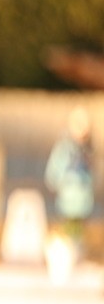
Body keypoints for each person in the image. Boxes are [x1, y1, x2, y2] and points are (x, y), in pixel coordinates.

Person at [45, 105, 95, 252]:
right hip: (68, 201)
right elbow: (54, 173)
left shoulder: (87, 149)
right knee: (68, 234)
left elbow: (89, 175)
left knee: (78, 234)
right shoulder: (65, 148)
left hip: (83, 202)